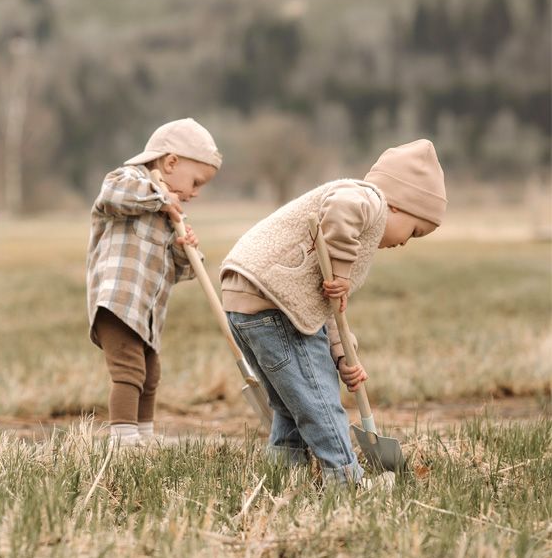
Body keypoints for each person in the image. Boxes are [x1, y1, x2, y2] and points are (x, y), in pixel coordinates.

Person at [220, 139, 446, 487]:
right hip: (272, 304)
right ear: (398, 206)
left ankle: (285, 474)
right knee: (320, 402)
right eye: (414, 231)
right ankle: (346, 480)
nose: (404, 242)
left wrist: (343, 356)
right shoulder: (369, 198)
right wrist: (341, 271)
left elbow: (327, 308)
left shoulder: (354, 234)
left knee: (291, 404)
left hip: (247, 302)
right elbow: (343, 207)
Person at [87, 118, 222, 446]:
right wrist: (160, 198)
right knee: (129, 371)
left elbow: (181, 272)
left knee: (150, 373)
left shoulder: (169, 213)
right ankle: (122, 437)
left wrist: (184, 249)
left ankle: (143, 435)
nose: (195, 193)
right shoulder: (129, 180)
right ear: (171, 162)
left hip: (146, 312)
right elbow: (111, 195)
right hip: (117, 302)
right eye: (196, 182)